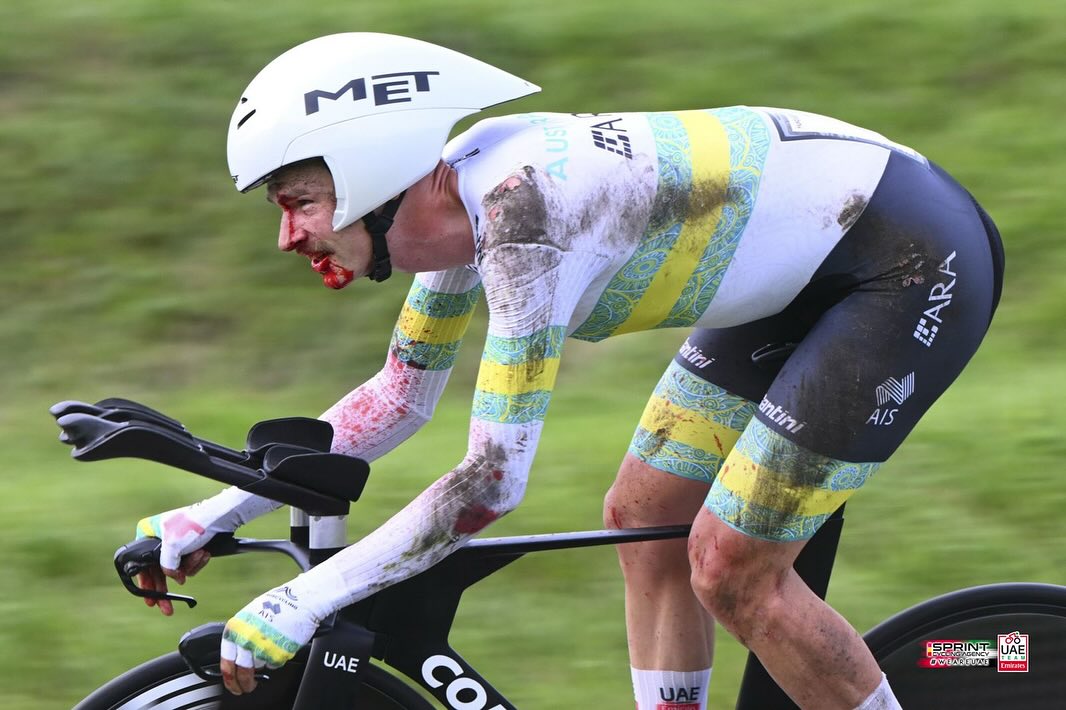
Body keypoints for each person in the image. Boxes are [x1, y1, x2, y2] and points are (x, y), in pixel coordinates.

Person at [133, 32, 1004, 709]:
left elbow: (487, 484)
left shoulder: (525, 215)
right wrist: (211, 514)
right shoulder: (456, 207)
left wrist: (299, 604)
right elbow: (399, 397)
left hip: (906, 263)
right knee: (643, 517)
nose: (290, 236)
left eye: (299, 203)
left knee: (732, 567)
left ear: (371, 175)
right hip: (807, 270)